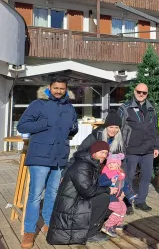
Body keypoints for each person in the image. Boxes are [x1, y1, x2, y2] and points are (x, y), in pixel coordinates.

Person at [17, 76, 78, 249]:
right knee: (35, 196)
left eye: (62, 88)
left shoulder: (69, 106)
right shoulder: (38, 104)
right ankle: (29, 231)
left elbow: (73, 128)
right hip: (40, 156)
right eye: (56, 88)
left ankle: (49, 224)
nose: (59, 91)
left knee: (53, 193)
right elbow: (22, 126)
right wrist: (43, 123)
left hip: (59, 156)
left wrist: (73, 128)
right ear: (49, 87)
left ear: (66, 89)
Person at [47, 141, 116, 245]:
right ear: (93, 152)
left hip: (76, 200)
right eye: (102, 152)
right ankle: (91, 234)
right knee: (103, 198)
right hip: (71, 207)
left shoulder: (90, 163)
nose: (104, 156)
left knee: (104, 198)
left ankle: (92, 228)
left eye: (106, 153)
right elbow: (88, 191)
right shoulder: (83, 166)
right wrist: (108, 189)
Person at [118, 83, 159, 213]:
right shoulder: (125, 108)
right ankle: (127, 203)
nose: (141, 94)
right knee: (128, 177)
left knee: (146, 177)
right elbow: (118, 129)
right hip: (131, 149)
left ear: (147, 94)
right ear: (134, 91)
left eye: (144, 93)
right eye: (139, 92)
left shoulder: (151, 109)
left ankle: (141, 201)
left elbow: (155, 129)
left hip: (148, 149)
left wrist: (156, 146)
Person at [98, 153, 136, 237]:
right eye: (109, 163)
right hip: (108, 197)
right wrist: (110, 181)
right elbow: (100, 183)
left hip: (117, 197)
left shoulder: (120, 174)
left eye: (113, 163)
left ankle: (117, 223)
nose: (111, 165)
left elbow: (125, 185)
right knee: (118, 208)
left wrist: (130, 194)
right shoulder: (105, 174)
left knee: (124, 207)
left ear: (118, 164)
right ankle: (108, 226)